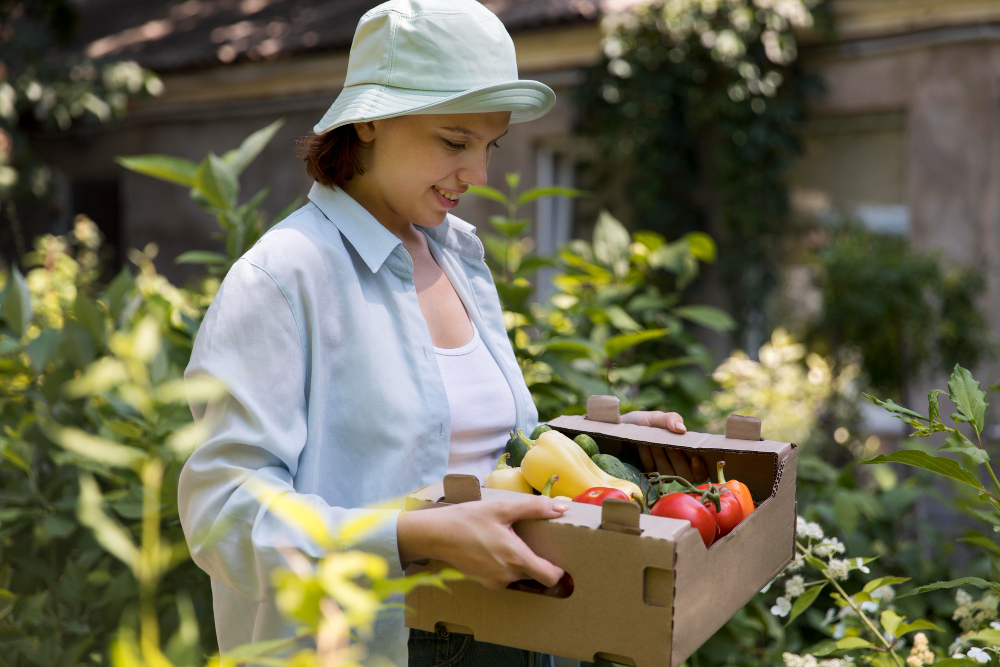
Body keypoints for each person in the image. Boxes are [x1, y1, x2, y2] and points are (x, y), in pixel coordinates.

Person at [177, 1, 705, 665]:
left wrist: (597, 450)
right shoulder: (284, 278)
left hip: (517, 631)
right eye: (454, 141)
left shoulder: (457, 253)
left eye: (490, 145)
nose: (479, 175)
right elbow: (225, 517)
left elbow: (476, 455)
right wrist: (412, 534)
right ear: (367, 118)